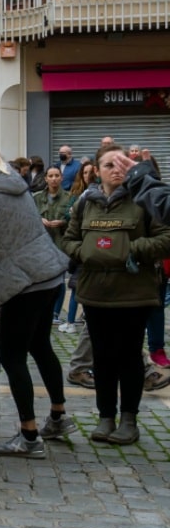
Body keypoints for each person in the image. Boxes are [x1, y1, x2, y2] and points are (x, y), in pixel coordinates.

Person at [0, 140, 73, 458]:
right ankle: (58, 416)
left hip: (23, 282)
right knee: (41, 347)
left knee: (11, 356)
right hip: (47, 272)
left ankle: (29, 435)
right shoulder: (15, 185)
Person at [61, 144, 170, 445]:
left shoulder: (144, 201)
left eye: (122, 164)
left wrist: (128, 250)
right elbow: (69, 239)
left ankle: (129, 419)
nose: (116, 170)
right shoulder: (86, 203)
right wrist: (84, 251)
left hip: (133, 294)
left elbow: (166, 239)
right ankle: (105, 416)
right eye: (108, 165)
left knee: (129, 357)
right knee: (103, 358)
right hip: (95, 293)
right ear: (96, 171)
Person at [34, 168, 73, 324]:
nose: (54, 179)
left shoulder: (70, 198)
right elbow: (29, 217)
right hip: (42, 244)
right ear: (46, 179)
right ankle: (43, 310)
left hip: (60, 243)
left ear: (62, 178)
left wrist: (64, 222)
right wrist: (40, 220)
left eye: (57, 176)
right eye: (51, 176)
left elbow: (74, 220)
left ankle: (56, 312)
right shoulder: (37, 197)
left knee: (59, 279)